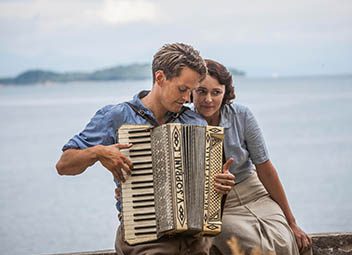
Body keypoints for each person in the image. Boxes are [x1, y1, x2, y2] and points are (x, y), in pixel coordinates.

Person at [56, 43, 234, 255]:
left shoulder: (195, 122)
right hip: (144, 234)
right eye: (182, 89)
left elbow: (207, 190)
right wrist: (98, 152)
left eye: (191, 91)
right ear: (160, 78)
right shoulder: (117, 116)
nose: (187, 99)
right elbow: (64, 165)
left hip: (194, 238)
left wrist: (220, 183)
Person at [191, 59, 312, 255]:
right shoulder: (181, 124)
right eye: (201, 91)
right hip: (217, 203)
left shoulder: (242, 115)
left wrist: (292, 222)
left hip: (254, 192)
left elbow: (265, 168)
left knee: (283, 238)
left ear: (226, 92)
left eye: (216, 92)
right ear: (191, 91)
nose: (208, 99)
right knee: (252, 245)